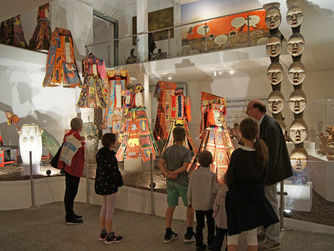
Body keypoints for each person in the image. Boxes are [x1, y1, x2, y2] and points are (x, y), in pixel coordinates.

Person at [225, 117, 279, 251]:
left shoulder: (237, 154)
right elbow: (264, 177)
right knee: (252, 237)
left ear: (241, 133)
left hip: (237, 200)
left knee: (232, 237)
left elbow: (230, 178)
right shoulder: (262, 154)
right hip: (254, 200)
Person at [246, 100, 292, 250]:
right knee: (265, 204)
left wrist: (266, 177)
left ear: (257, 109)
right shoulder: (265, 124)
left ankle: (273, 239)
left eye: (249, 109)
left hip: (270, 175)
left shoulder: (270, 125)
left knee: (270, 205)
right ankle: (265, 232)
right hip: (266, 174)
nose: (247, 111)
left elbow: (271, 155)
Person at [158, 126, 195, 244]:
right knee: (189, 205)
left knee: (171, 206)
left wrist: (168, 174)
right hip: (182, 182)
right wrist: (173, 173)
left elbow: (160, 164)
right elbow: (185, 167)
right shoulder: (186, 151)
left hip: (170, 182)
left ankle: (168, 232)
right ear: (184, 137)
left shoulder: (168, 150)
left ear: (173, 137)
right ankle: (189, 233)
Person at [95, 133, 123, 244]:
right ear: (111, 143)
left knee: (104, 207)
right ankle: (110, 235)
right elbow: (114, 172)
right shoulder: (110, 156)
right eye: (115, 141)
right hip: (110, 185)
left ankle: (103, 232)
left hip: (102, 184)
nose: (117, 142)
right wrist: (119, 181)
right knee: (110, 209)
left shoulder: (100, 154)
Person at [188, 150, 217, 251]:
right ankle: (211, 243)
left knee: (199, 224)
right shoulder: (212, 175)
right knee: (211, 224)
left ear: (199, 161)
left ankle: (199, 244)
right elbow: (214, 191)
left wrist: (190, 201)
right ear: (211, 161)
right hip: (209, 204)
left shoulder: (194, 174)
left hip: (197, 203)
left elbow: (190, 189)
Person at [57, 117, 85, 224]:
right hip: (73, 168)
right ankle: (69, 215)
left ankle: (70, 212)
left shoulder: (68, 135)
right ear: (80, 126)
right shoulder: (75, 136)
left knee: (70, 191)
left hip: (69, 168)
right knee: (71, 192)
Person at [212, 182, 228, 251]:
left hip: (221, 221)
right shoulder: (236, 191)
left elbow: (216, 204)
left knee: (218, 238)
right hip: (231, 222)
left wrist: (214, 213)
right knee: (230, 240)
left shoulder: (221, 190)